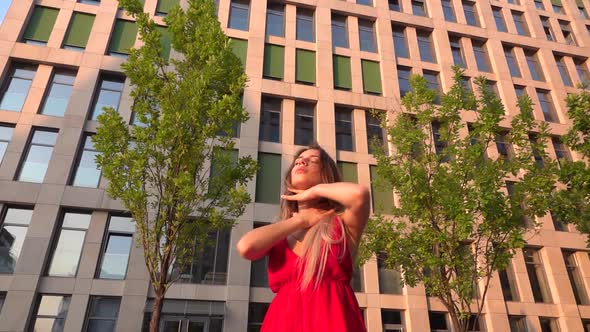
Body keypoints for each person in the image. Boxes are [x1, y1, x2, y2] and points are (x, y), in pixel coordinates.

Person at [237, 143, 370, 331]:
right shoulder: (281, 232)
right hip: (283, 323)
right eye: (298, 161)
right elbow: (246, 247)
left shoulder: (343, 223)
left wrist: (314, 191)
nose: (301, 162)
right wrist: (300, 221)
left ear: (326, 175)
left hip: (334, 321)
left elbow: (360, 194)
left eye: (312, 161)